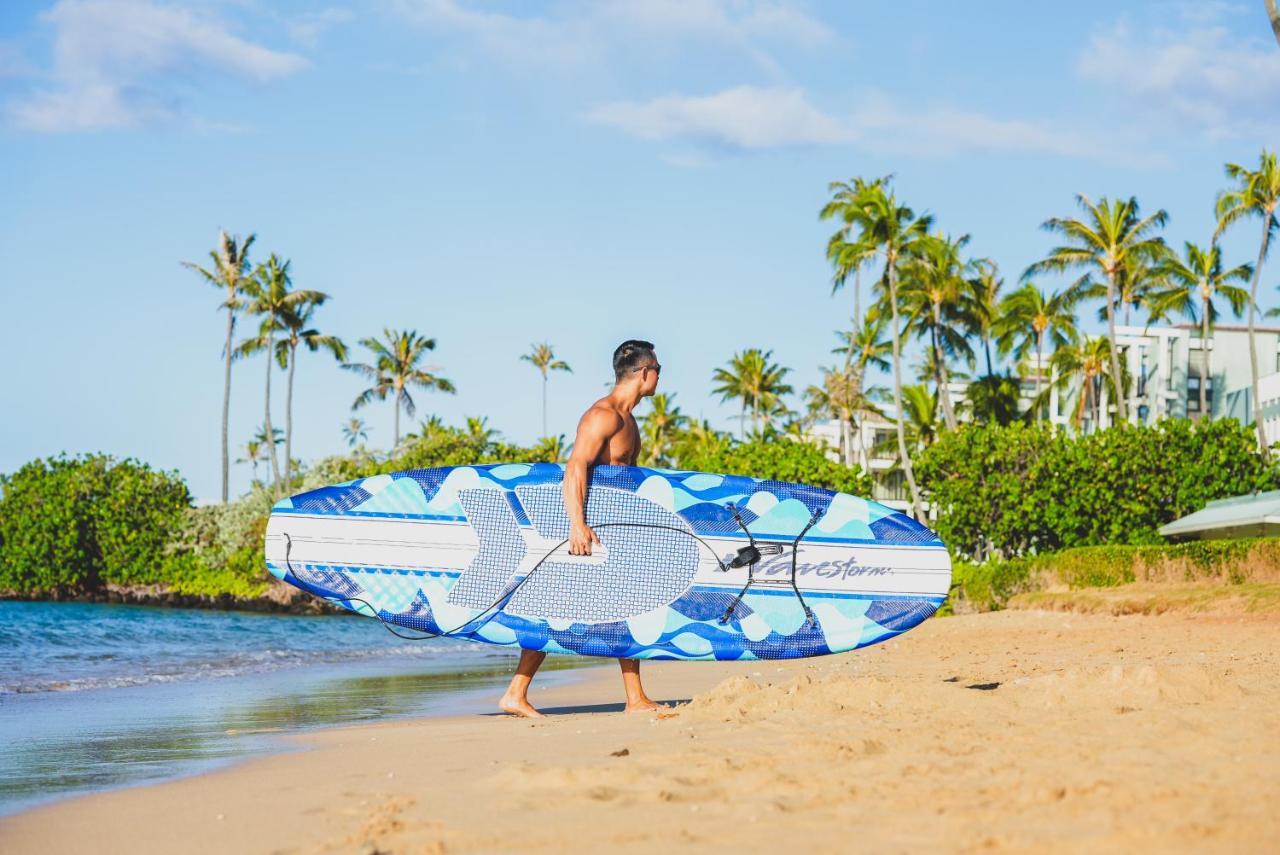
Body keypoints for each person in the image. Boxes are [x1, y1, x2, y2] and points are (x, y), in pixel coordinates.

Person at [499, 339, 664, 718]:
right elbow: (575, 467)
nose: (659, 376)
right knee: (563, 604)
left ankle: (634, 697)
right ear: (643, 373)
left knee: (621, 603)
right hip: (585, 528)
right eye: (658, 369)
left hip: (608, 528)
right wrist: (577, 526)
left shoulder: (628, 419)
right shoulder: (603, 415)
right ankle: (515, 693)